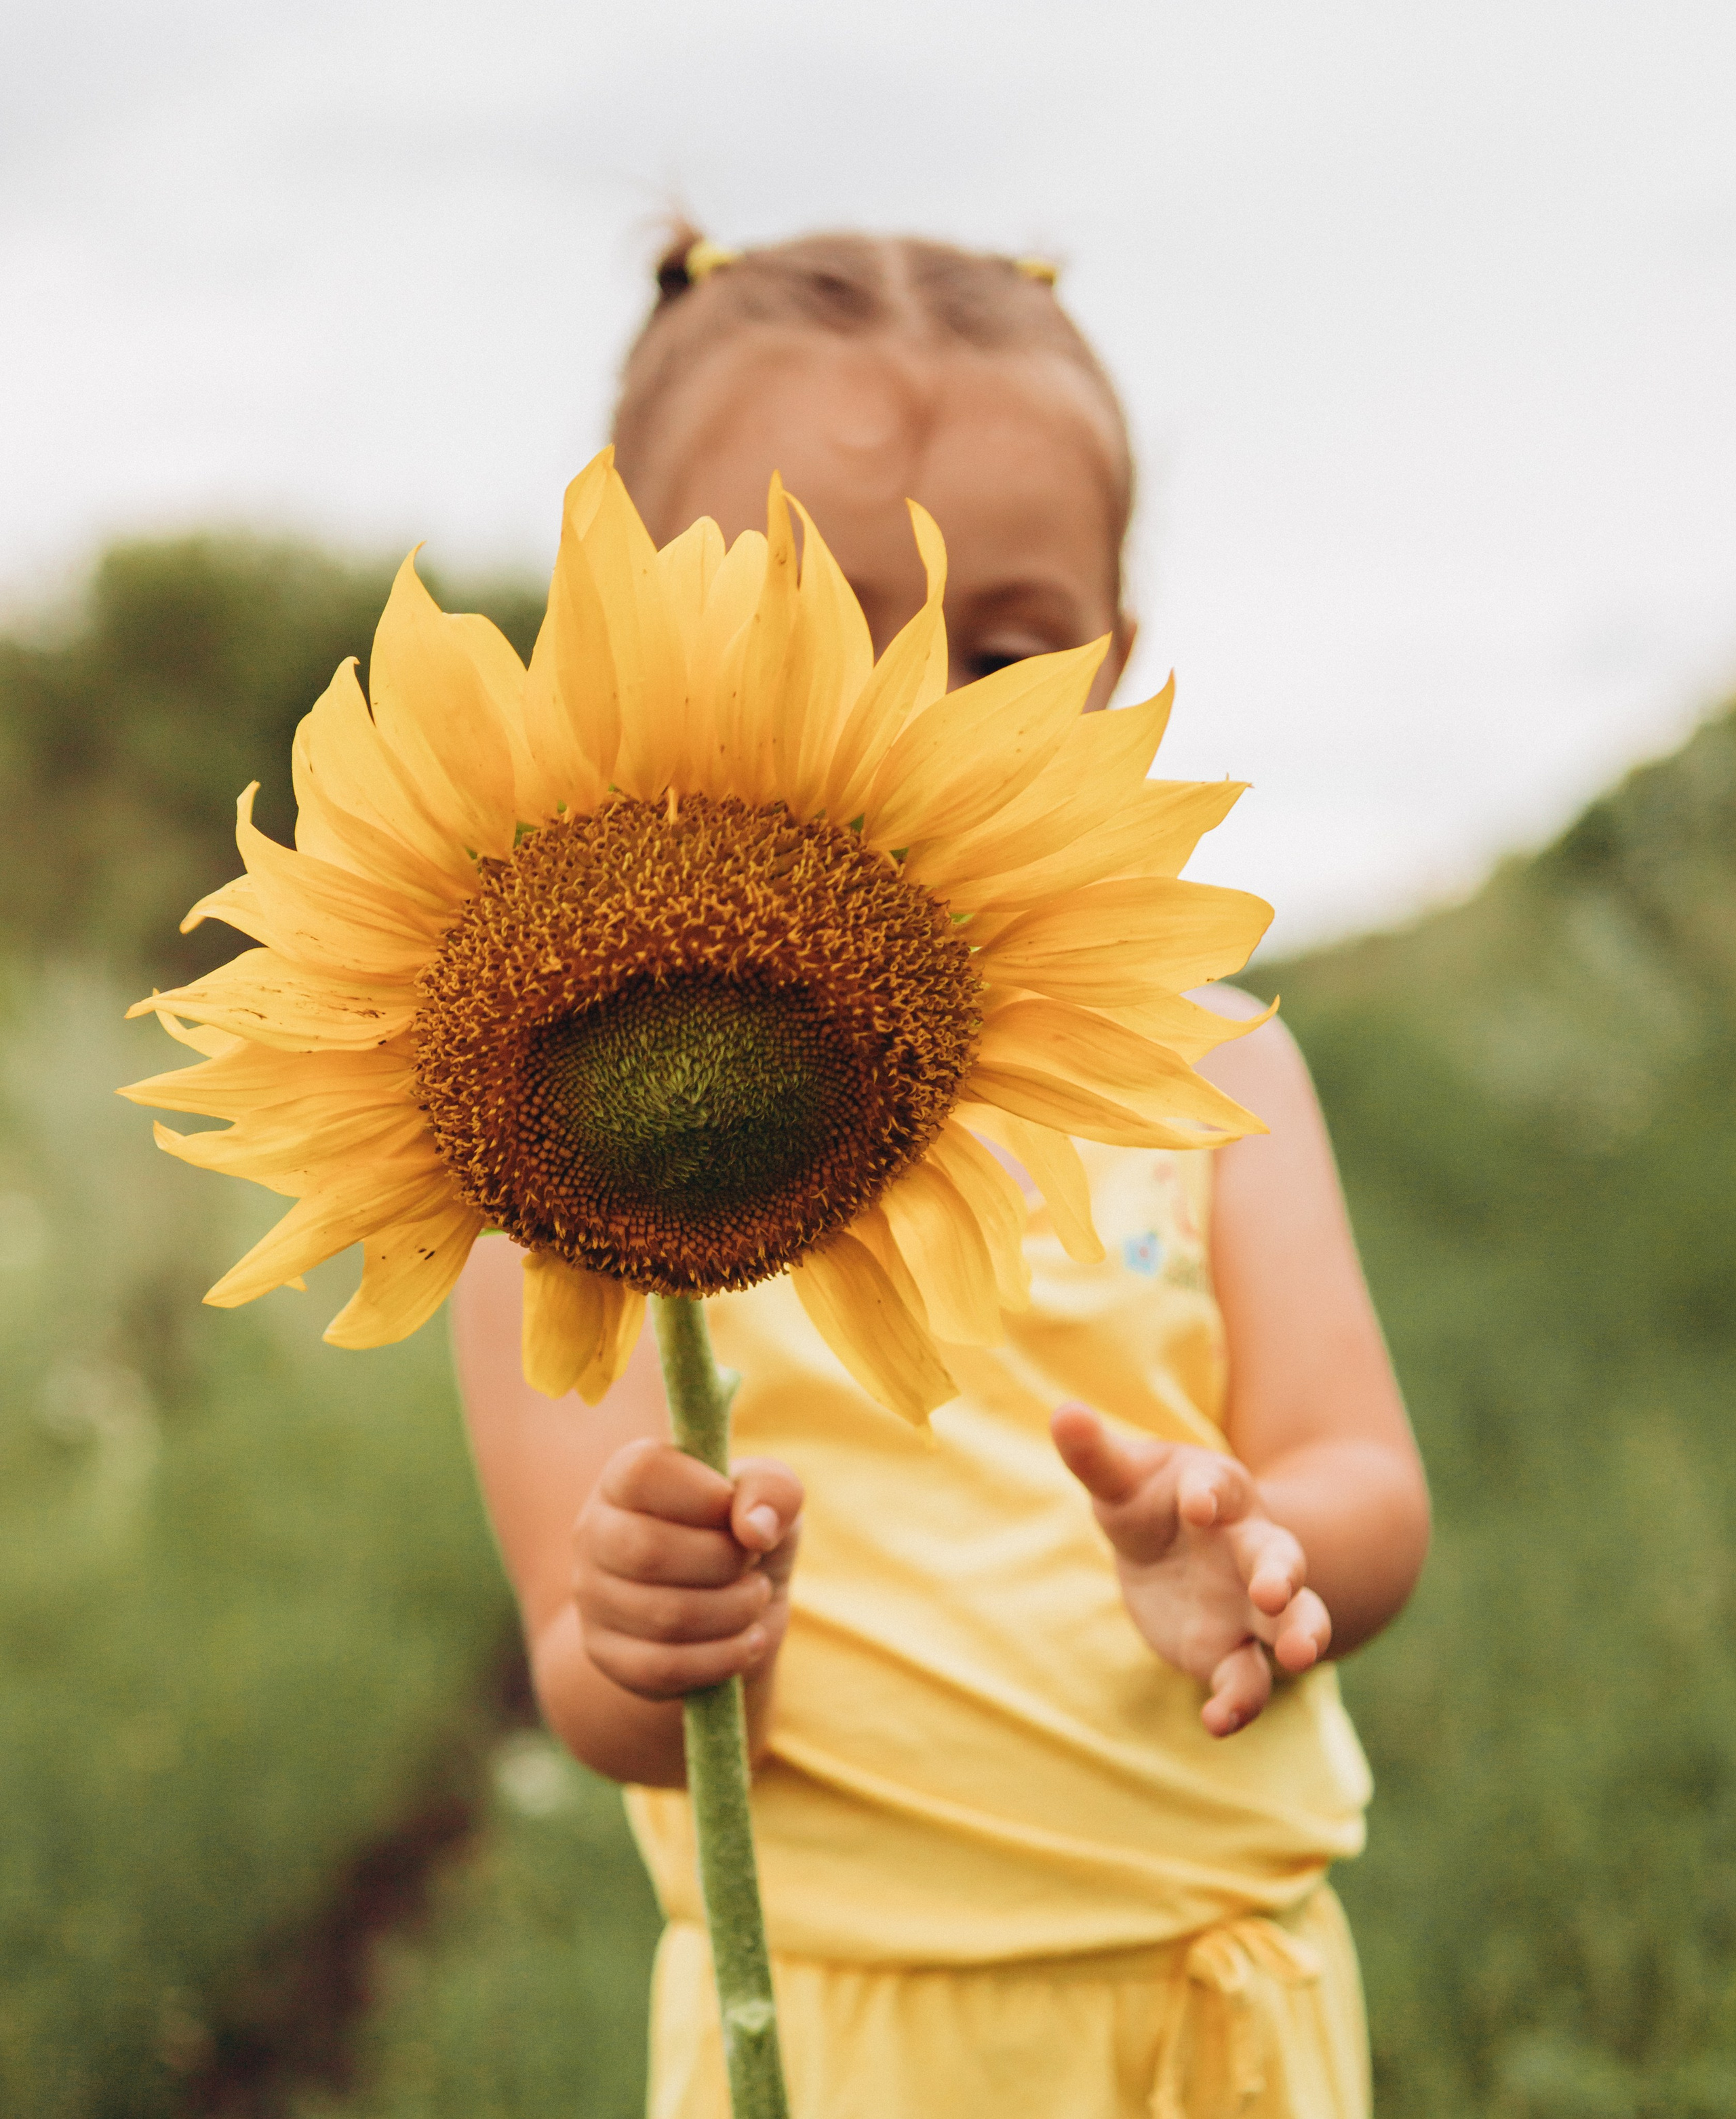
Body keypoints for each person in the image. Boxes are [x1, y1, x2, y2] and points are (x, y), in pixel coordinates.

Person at [453, 227, 1430, 2119]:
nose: (898, 714)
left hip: (1199, 1996)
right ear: (629, 644)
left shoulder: (1206, 1060)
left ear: (1114, 673)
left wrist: (1262, 1545)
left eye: (1001, 647)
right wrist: (649, 1632)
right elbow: (589, 1680)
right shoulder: (554, 1125)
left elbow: (1368, 1472)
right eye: (806, 627)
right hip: (821, 2020)